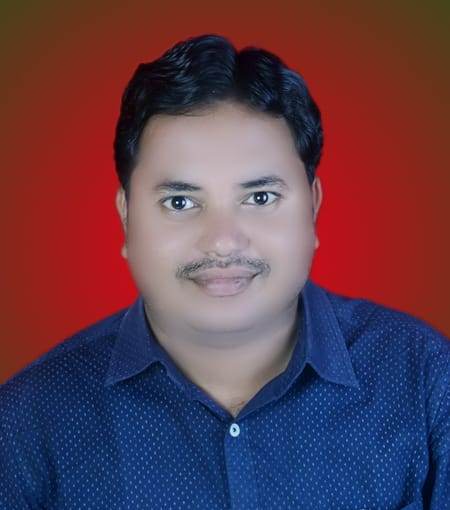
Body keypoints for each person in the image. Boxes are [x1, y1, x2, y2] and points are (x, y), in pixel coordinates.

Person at [0, 33, 449, 510]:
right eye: (180, 202)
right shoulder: (28, 422)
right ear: (126, 216)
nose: (222, 241)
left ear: (313, 208)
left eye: (260, 198)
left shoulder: (424, 380)